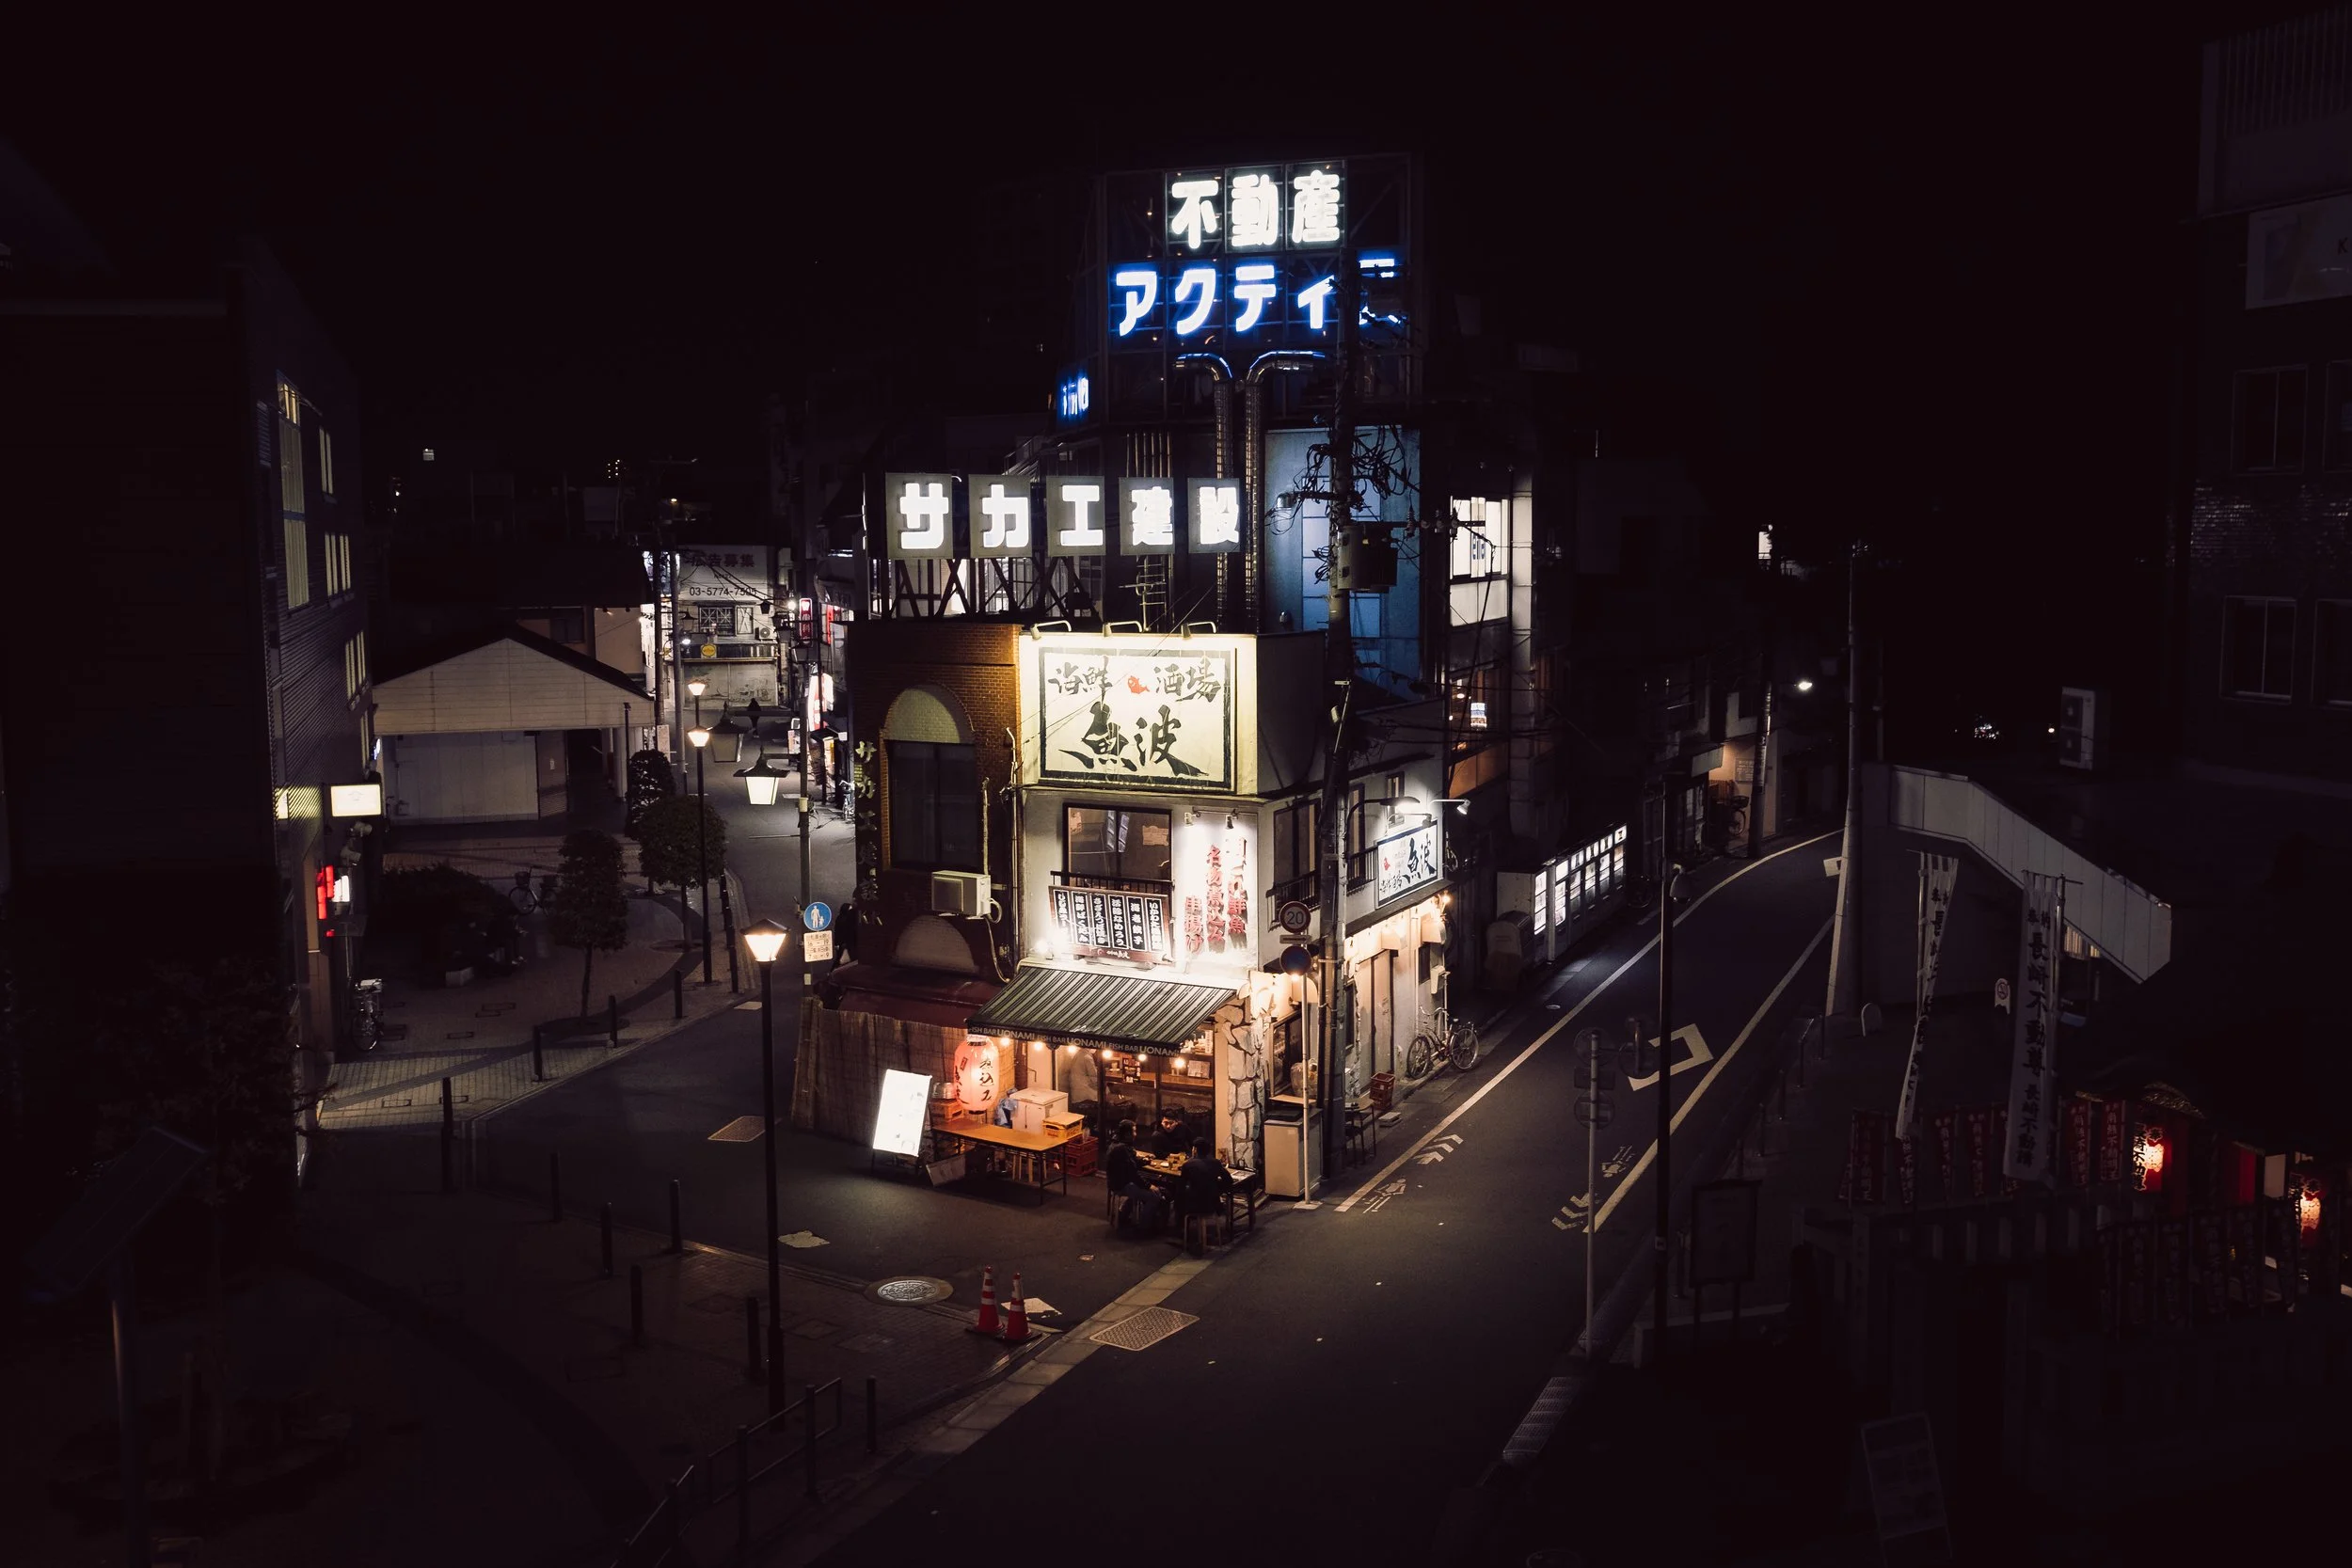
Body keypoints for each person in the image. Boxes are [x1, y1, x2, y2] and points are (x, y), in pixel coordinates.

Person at [1104, 1122, 1165, 1232]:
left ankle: (1123, 1215)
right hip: (1122, 1184)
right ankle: (1143, 1227)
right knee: (1154, 1196)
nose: (1136, 1134)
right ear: (1128, 1134)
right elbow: (1133, 1173)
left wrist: (1144, 1160)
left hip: (1115, 1182)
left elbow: (1131, 1162)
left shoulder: (1115, 1144)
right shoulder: (1122, 1148)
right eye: (1134, 1131)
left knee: (1139, 1190)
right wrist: (1149, 1186)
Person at [1173, 1138, 1235, 1236]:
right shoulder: (1216, 1163)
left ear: (1195, 1150)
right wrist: (1217, 1190)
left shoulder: (1188, 1165)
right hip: (1212, 1204)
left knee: (1179, 1198)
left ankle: (1181, 1231)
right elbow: (1229, 1181)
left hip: (1193, 1205)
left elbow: (1181, 1186)